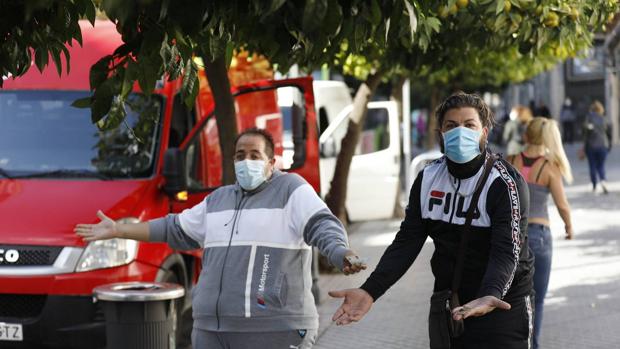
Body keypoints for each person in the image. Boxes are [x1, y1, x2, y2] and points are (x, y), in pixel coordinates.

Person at [75, 128, 366, 349]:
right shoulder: (218, 199)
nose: (246, 161)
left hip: (275, 329)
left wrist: (342, 253)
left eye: (255, 155)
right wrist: (119, 230)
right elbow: (174, 228)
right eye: (240, 155)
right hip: (212, 331)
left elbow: (322, 225)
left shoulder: (291, 190)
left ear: (272, 162)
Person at [329, 92, 533, 348]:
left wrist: (490, 294)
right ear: (441, 133)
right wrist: (370, 290)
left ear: (484, 132)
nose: (460, 132)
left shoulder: (505, 183)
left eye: (469, 125)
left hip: (501, 304)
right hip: (450, 304)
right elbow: (407, 241)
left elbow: (506, 251)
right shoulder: (428, 179)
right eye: (451, 125)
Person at [507, 117, 574, 349]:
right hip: (538, 235)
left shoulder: (511, 161)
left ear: (526, 135)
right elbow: (562, 205)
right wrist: (569, 227)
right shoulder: (549, 167)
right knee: (537, 299)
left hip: (511, 236)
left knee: (510, 296)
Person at [582, 100, 612, 194]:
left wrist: (584, 145)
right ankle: (603, 180)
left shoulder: (589, 118)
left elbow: (585, 132)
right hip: (603, 145)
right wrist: (609, 145)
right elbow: (609, 132)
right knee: (601, 165)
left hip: (591, 146)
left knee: (592, 166)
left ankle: (594, 185)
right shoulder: (604, 118)